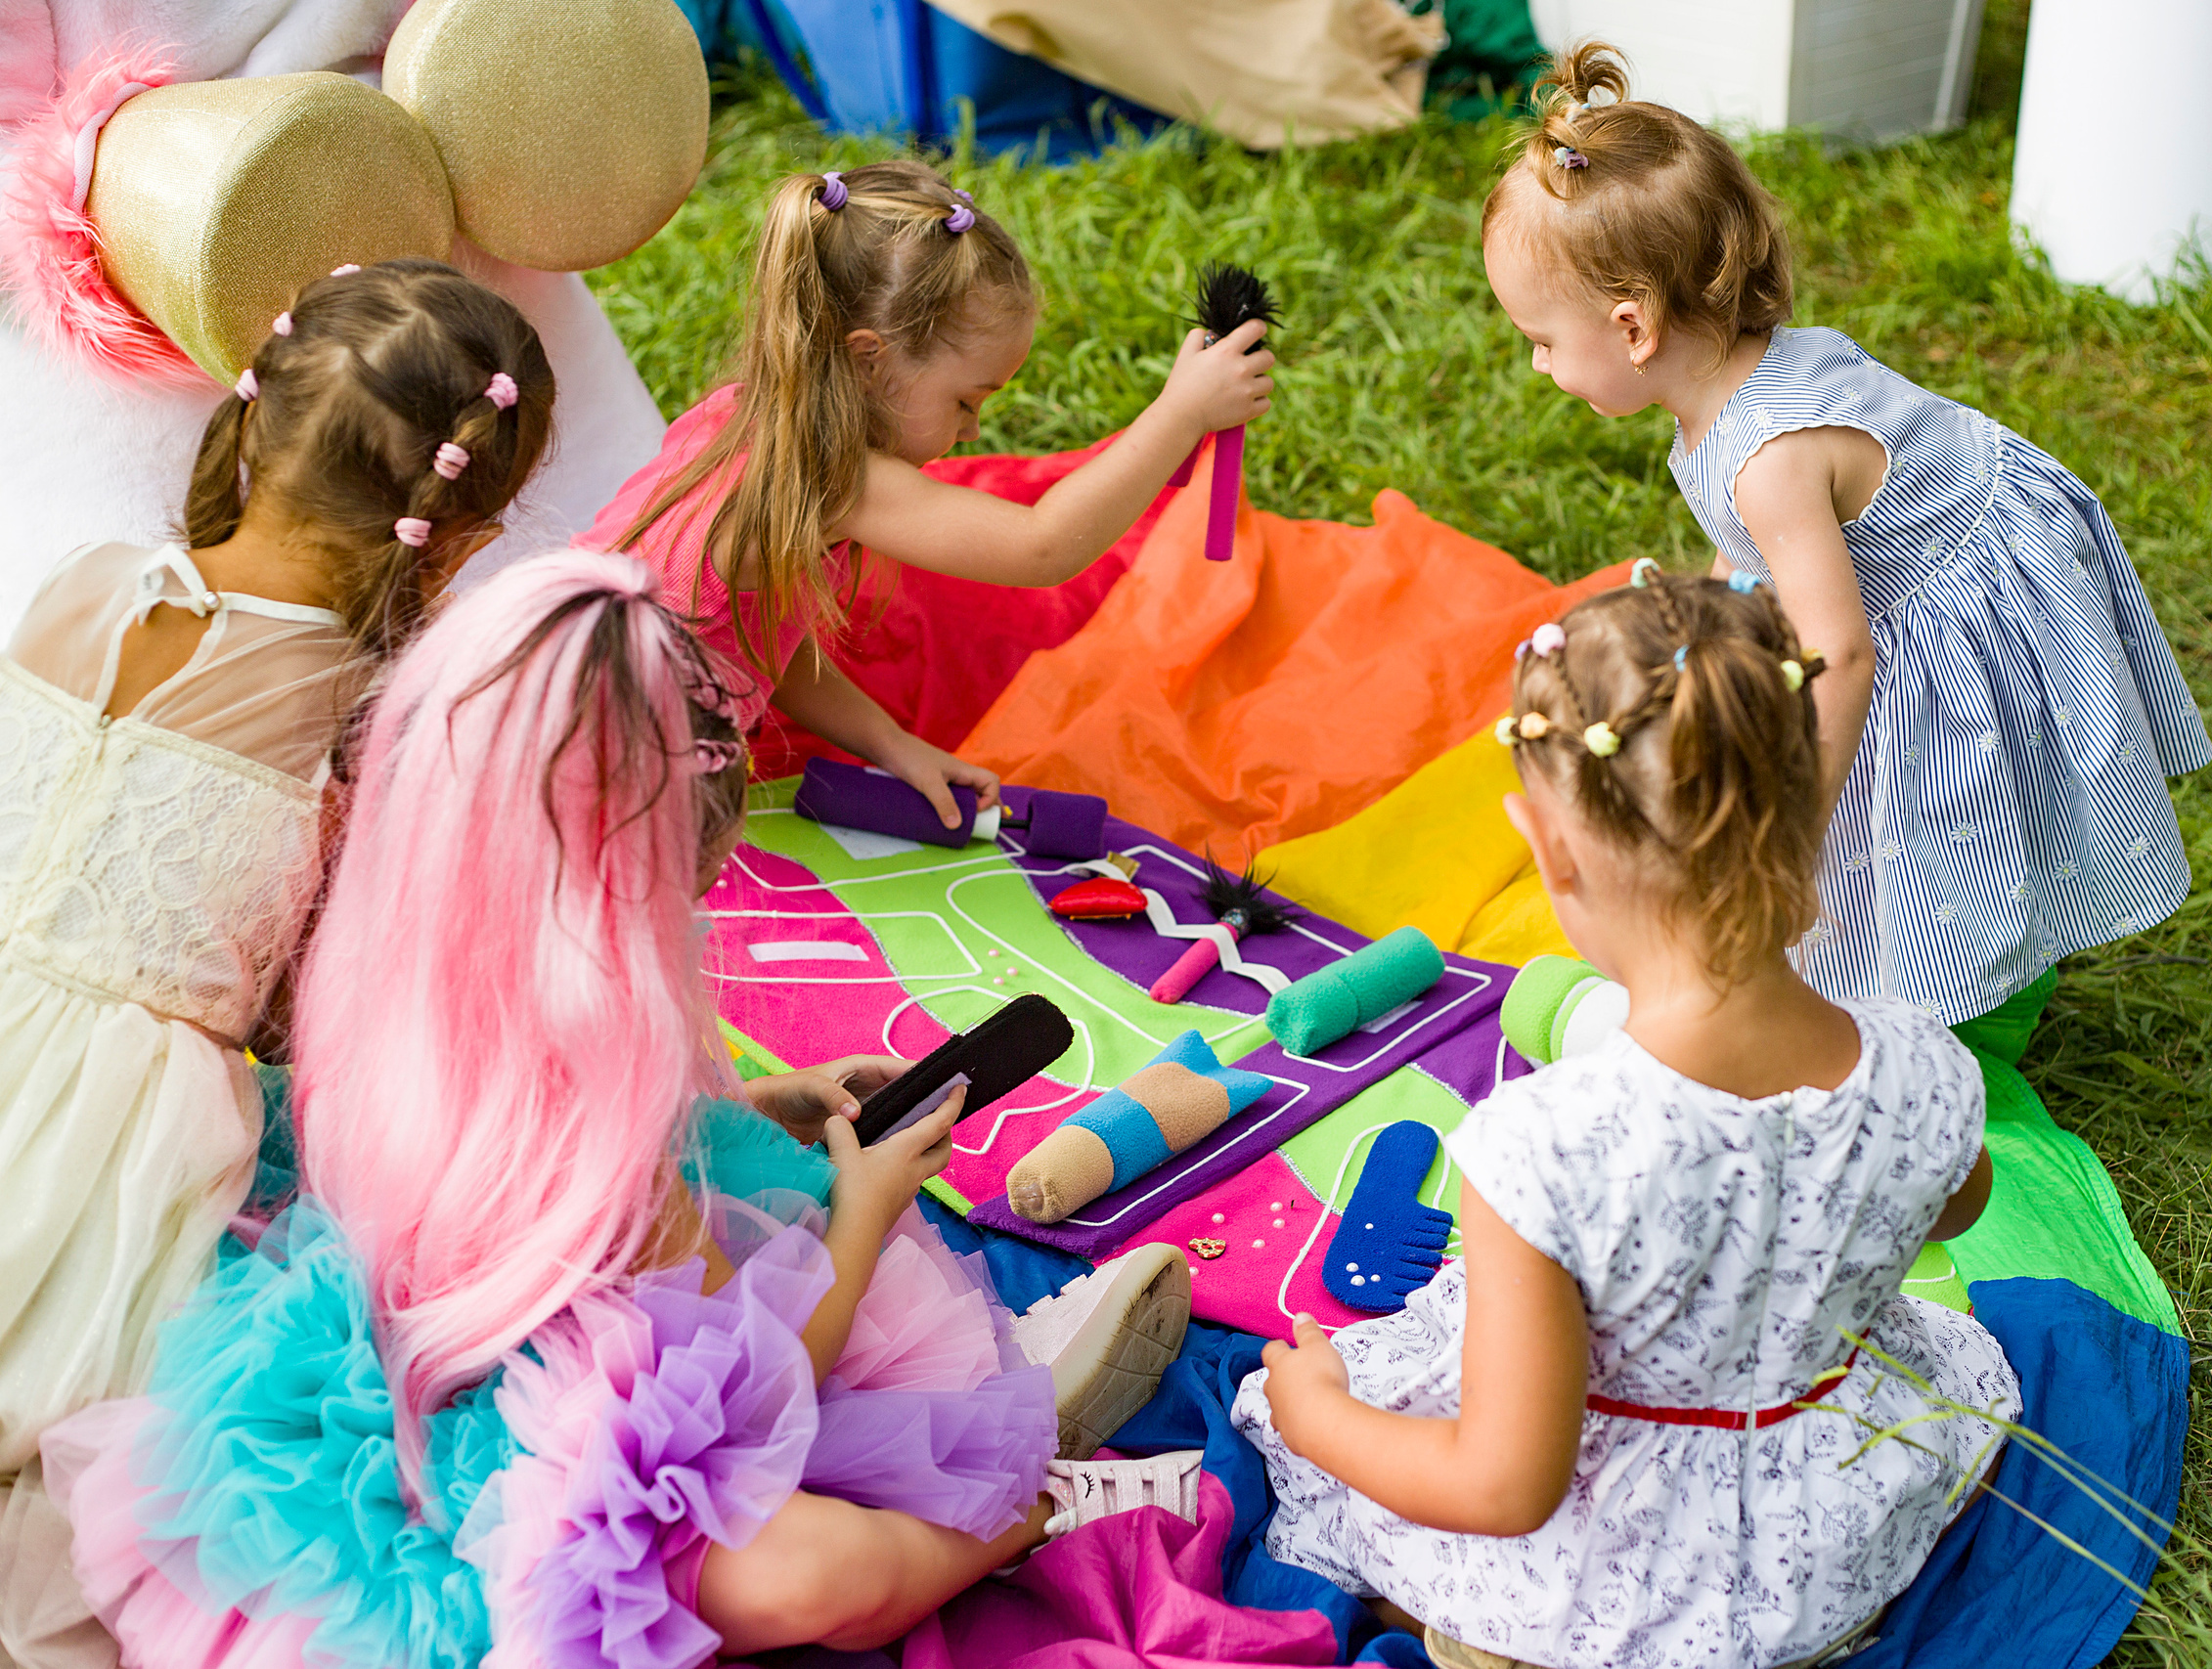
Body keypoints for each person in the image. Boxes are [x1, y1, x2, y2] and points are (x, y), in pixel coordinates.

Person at [40, 552, 1198, 1668]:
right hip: (569, 1442)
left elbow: (542, 1153)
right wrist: (864, 1206)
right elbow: (759, 1382)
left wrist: (755, 1101)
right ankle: (1033, 1505)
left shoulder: (400, 965)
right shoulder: (622, 1148)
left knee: (784, 1302)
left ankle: (1000, 1444)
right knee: (817, 1568)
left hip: (461, 1355)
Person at [1236, 574, 2020, 1669]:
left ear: (1548, 851)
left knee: (1341, 1428)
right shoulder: (1922, 1062)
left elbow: (1502, 1488)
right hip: (1838, 1545)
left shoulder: (1539, 1151)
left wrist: (1319, 1416)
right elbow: (1953, 1205)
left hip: (1609, 1605)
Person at [0, 259, 556, 1668]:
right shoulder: (357, 714)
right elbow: (327, 1010)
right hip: (102, 1144)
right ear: (461, 530)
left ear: (248, 426)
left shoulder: (81, 584)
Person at [1480, 43, 2212, 1034]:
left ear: (1632, 327)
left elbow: (1845, 654)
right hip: (1916, 567)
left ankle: (1952, 1003)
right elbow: (1755, 568)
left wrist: (1793, 825)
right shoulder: (1723, 389)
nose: (1534, 364)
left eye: (1542, 341)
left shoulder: (1770, 459)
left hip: (1951, 602)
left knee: (1931, 802)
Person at [594, 156, 1275, 829]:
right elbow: (1041, 548)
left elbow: (764, 643)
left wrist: (895, 748)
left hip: (547, 689)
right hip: (593, 764)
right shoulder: (832, 479)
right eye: (965, 401)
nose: (973, 430)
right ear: (870, 361)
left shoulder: (741, 416)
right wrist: (1181, 413)